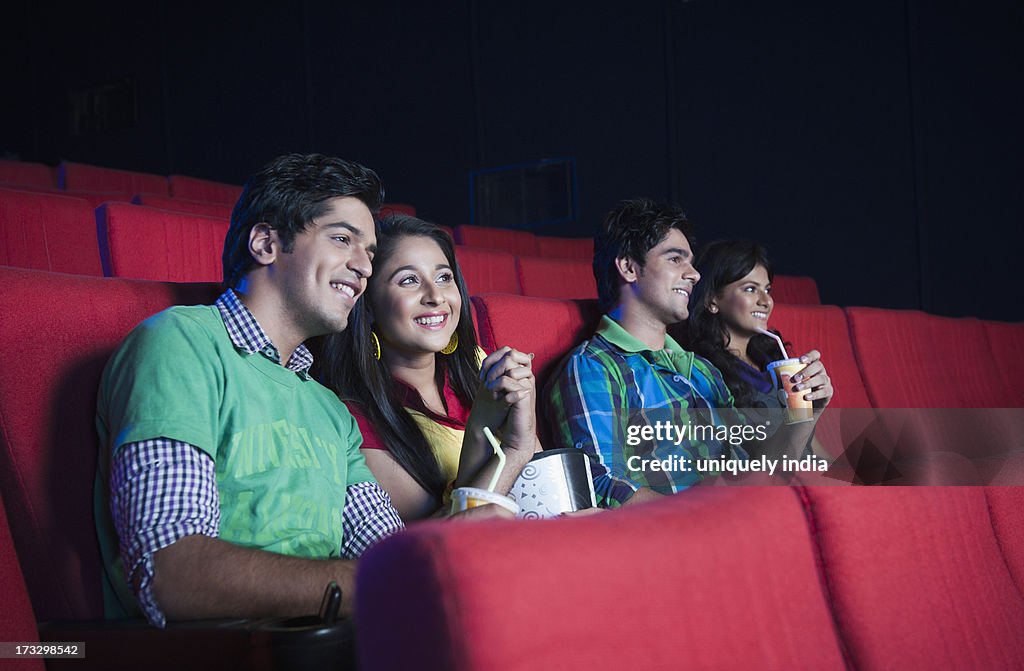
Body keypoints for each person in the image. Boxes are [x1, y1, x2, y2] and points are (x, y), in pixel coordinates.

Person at [94, 153, 404, 628]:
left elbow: (386, 551)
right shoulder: (181, 344)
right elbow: (173, 574)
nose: (364, 267)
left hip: (327, 642)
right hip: (218, 652)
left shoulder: (327, 408)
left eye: (370, 253)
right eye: (343, 239)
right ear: (265, 243)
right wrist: (383, 584)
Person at [545, 199, 831, 508]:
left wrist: (805, 413)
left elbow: (763, 469)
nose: (694, 274)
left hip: (751, 519)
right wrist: (711, 519)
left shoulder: (703, 371)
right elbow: (602, 486)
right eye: (675, 259)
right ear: (628, 267)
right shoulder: (595, 366)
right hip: (688, 535)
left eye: (691, 262)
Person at [320, 214, 539, 522]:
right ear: (368, 306)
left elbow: (539, 481)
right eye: (409, 280)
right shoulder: (354, 419)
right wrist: (496, 439)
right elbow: (439, 539)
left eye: (444, 278)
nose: (436, 297)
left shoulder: (479, 364)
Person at [685, 239, 833, 412]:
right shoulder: (703, 372)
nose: (766, 301)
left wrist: (813, 408)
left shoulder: (772, 359)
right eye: (750, 289)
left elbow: (809, 438)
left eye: (767, 290)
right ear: (711, 300)